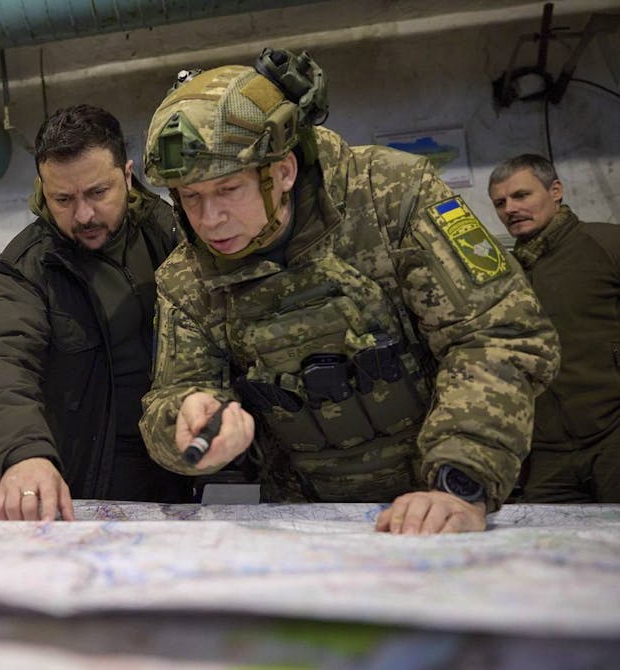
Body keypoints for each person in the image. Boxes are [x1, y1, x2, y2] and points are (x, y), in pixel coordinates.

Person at [138, 49, 560, 534]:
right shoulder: (185, 276)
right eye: (190, 198)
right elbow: (170, 396)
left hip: (444, 495)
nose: (209, 220)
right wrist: (184, 420)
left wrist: (460, 481)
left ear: (284, 170)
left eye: (229, 190)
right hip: (308, 523)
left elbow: (497, 334)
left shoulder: (393, 195)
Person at [0, 104, 192, 521]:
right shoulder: (29, 265)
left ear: (127, 175)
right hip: (92, 479)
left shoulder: (176, 233)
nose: (84, 215)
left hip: (189, 470)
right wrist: (22, 453)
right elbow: (2, 363)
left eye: (97, 193)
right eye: (63, 199)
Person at [488, 154, 620, 502]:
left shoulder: (605, 244)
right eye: (500, 203)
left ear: (555, 190)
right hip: (546, 454)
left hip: (612, 437)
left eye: (521, 195)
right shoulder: (505, 271)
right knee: (544, 549)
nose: (510, 209)